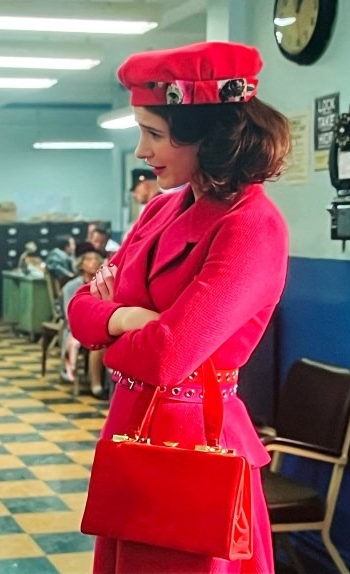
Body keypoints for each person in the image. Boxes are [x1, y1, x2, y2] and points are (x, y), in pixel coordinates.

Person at [68, 41, 290, 573]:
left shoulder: (250, 226)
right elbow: (80, 310)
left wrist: (115, 325)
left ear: (209, 139)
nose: (142, 153)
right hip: (132, 433)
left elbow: (170, 356)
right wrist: (124, 317)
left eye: (154, 134)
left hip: (194, 452)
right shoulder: (163, 208)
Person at [59, 246, 104, 392]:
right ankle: (96, 385)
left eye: (97, 260)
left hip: (100, 324)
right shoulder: (71, 287)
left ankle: (113, 383)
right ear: (81, 264)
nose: (94, 263)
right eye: (89, 259)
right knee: (98, 341)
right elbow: (69, 313)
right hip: (77, 327)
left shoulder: (103, 284)